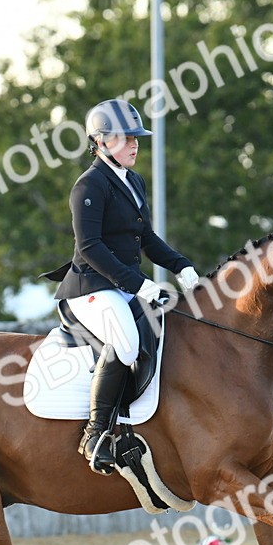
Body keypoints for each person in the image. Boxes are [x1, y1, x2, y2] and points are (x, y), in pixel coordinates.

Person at [42, 99, 200, 471]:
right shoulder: (89, 185)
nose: (135, 144)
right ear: (99, 141)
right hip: (90, 289)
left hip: (123, 286)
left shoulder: (133, 181)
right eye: (127, 138)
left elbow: (145, 237)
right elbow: (89, 247)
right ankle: (94, 436)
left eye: (137, 138)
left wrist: (181, 265)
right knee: (126, 344)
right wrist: (140, 284)